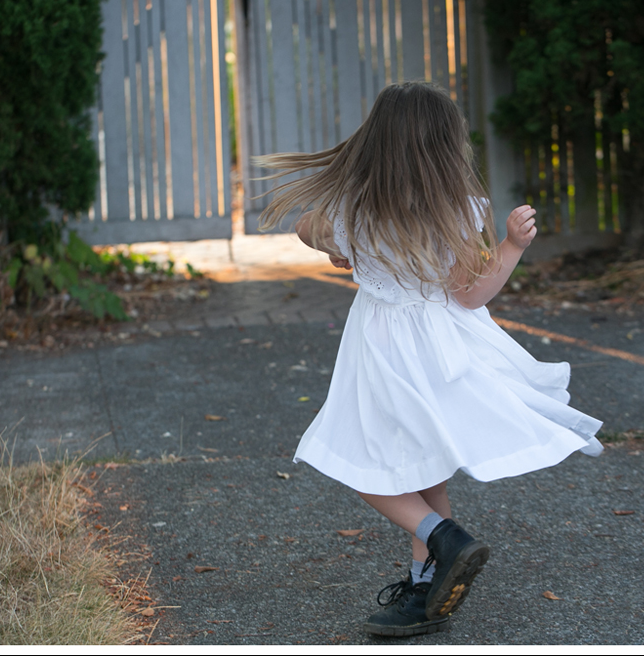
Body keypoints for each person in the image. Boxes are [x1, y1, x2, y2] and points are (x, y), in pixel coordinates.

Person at [254, 81, 603, 638]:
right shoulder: (461, 209)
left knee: (357, 461)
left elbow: (304, 226)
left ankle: (445, 539)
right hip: (442, 348)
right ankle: (426, 583)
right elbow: (469, 295)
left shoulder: (355, 207)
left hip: (385, 349)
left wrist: (338, 250)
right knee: (425, 468)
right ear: (445, 146)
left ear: (377, 142)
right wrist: (512, 246)